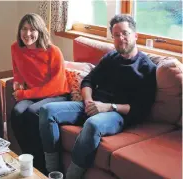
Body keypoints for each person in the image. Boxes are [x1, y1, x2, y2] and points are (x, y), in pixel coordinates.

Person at [39, 14, 157, 178]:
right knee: (47, 111)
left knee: (93, 125)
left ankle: (71, 176)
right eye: (116, 35)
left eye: (125, 33)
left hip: (117, 114)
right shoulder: (111, 57)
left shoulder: (147, 68)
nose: (121, 38)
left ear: (135, 35)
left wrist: (107, 107)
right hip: (93, 104)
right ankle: (53, 172)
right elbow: (88, 80)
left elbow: (141, 108)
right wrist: (88, 100)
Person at [10, 13, 70, 173]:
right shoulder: (15, 48)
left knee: (31, 112)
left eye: (32, 29)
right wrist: (18, 86)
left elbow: (56, 87)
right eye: (24, 29)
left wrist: (25, 95)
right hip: (33, 94)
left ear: (40, 31)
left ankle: (41, 166)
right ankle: (28, 156)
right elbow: (17, 73)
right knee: (16, 112)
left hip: (56, 95)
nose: (27, 34)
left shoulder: (53, 51)